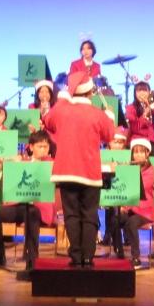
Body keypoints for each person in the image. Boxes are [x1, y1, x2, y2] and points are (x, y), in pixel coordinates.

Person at [43, 72, 115, 268]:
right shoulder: (97, 114)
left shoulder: (62, 110)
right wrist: (109, 116)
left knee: (71, 215)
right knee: (89, 214)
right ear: (90, 92)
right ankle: (88, 257)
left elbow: (47, 121)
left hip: (66, 171)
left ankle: (75, 256)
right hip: (90, 172)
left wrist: (62, 99)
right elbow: (110, 135)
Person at [0, 130, 59, 279]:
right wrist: (2, 167)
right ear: (31, 147)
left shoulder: (51, 164)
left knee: (32, 213)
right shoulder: (23, 162)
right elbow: (8, 184)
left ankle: (32, 262)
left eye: (46, 146)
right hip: (20, 204)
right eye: (40, 146)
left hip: (39, 207)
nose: (44, 149)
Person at [118, 138, 154, 268]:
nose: (138, 155)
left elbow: (138, 188)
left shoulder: (151, 171)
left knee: (131, 222)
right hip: (131, 209)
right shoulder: (131, 168)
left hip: (145, 210)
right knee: (115, 218)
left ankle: (136, 257)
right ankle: (119, 253)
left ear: (147, 153)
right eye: (135, 152)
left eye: (141, 152)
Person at [125, 82, 154, 156]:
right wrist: (145, 113)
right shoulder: (130, 108)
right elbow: (135, 128)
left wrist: (153, 106)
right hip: (137, 140)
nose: (142, 93)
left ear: (149, 92)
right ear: (135, 93)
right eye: (139, 91)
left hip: (151, 140)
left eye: (144, 90)